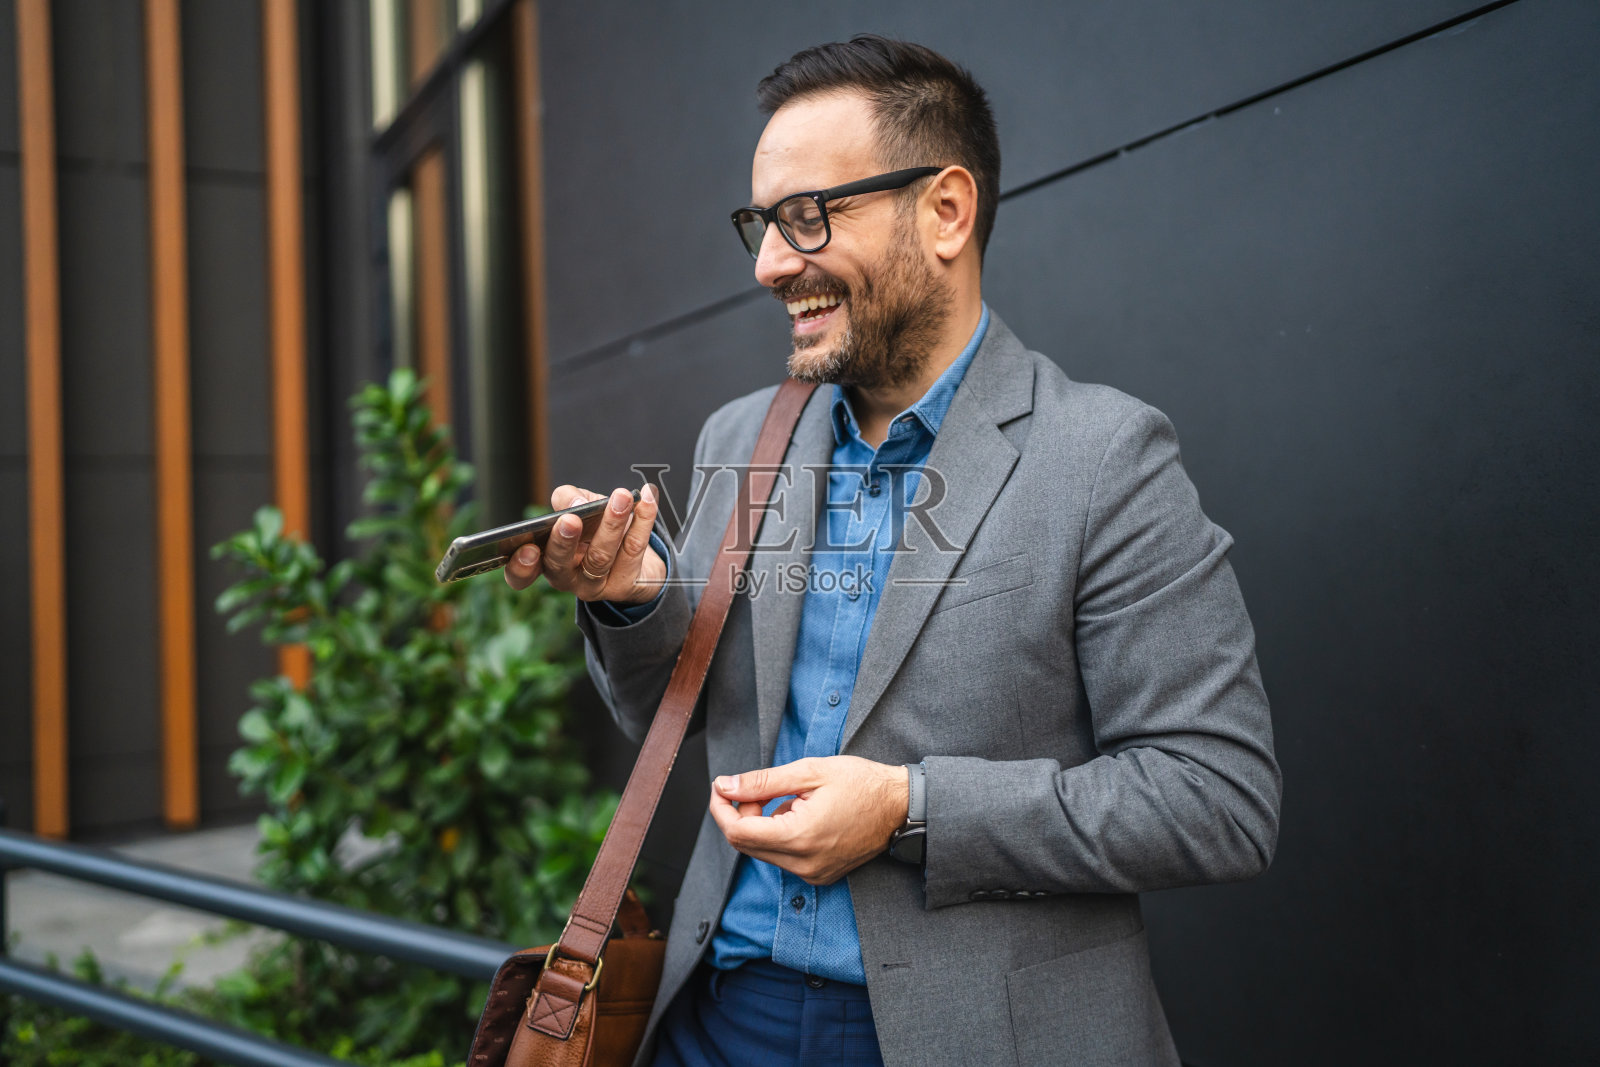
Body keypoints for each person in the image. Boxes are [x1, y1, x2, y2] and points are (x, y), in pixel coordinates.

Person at [505, 34, 1280, 1067]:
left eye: (807, 216)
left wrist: (909, 808)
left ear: (946, 210)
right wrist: (634, 599)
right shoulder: (742, 436)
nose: (770, 262)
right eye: (761, 223)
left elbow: (1216, 797)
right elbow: (668, 718)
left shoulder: (1105, 456)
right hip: (713, 1019)